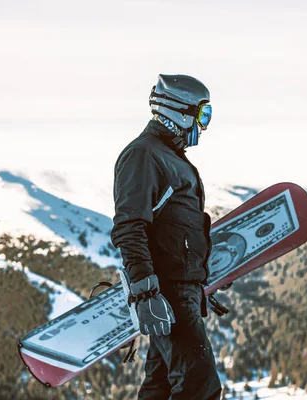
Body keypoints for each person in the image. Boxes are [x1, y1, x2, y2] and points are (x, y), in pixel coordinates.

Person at [110, 74, 221, 399]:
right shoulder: (144, 155)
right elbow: (130, 226)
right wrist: (146, 293)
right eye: (204, 115)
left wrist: (202, 271)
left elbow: (176, 230)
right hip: (166, 292)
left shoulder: (170, 158)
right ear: (180, 112)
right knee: (199, 387)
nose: (204, 125)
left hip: (179, 289)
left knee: (160, 387)